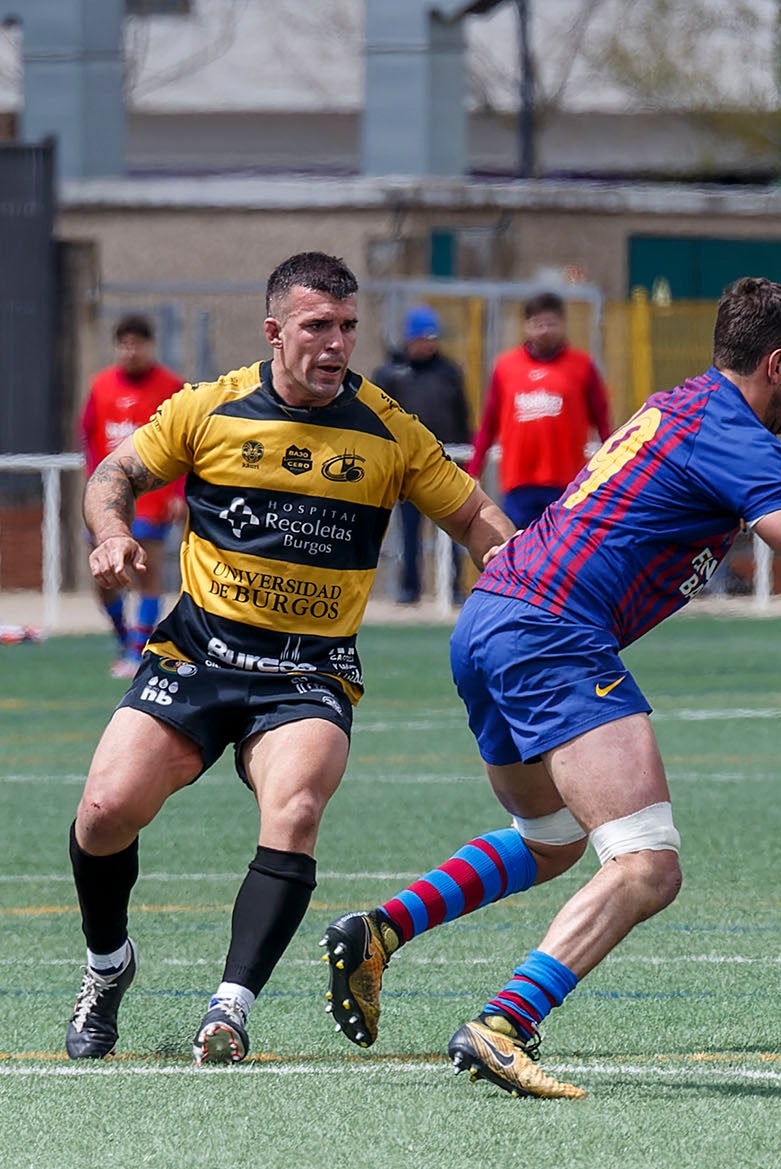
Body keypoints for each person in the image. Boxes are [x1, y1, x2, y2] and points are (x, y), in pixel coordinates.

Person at [320, 277, 781, 1100]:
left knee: (551, 837)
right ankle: (504, 1023)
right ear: (776, 364)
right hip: (551, 635)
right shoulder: (728, 436)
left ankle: (383, 928)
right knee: (647, 863)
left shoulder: (690, 409)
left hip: (492, 622)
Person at [66, 253, 514, 1066]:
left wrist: (532, 585)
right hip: (199, 654)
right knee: (102, 811)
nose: (335, 343)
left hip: (308, 671)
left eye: (348, 326)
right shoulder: (209, 407)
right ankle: (107, 967)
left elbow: (477, 517)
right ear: (274, 331)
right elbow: (114, 472)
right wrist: (113, 532)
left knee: (296, 807)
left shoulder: (388, 429)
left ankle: (229, 1008)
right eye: (317, 326)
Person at [80, 315, 186, 678]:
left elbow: (186, 443)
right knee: (103, 577)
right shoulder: (100, 385)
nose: (130, 351)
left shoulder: (172, 387)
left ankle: (137, 651)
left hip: (153, 497)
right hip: (109, 501)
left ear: (149, 345)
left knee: (146, 572)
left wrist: (179, 491)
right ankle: (125, 638)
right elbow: (87, 435)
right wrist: (96, 482)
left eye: (137, 343)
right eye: (124, 344)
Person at [468, 291, 612, 530]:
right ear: (526, 327)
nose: (545, 331)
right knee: (519, 545)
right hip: (518, 482)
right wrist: (474, 470)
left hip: (566, 481)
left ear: (563, 324)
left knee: (563, 546)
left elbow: (603, 421)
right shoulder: (505, 367)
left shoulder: (582, 366)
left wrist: (611, 466)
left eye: (551, 324)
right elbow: (489, 423)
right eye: (538, 324)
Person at [372, 306, 472, 604]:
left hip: (447, 464)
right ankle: (409, 589)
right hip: (407, 467)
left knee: (454, 530)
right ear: (409, 339)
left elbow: (462, 416)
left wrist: (465, 456)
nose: (427, 345)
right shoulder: (391, 374)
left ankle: (454, 589)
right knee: (409, 533)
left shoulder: (448, 372)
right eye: (422, 339)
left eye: (432, 339)